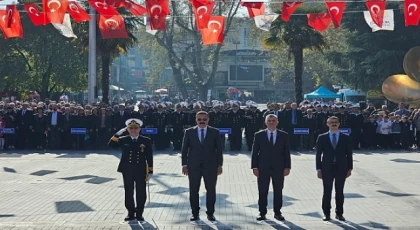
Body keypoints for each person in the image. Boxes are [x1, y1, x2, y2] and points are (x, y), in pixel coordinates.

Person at [108, 118, 153, 222]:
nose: (133, 130)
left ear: (139, 129)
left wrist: (150, 171)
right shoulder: (123, 139)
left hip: (140, 169)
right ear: (127, 129)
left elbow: (149, 157)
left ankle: (139, 213)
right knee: (129, 191)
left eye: (136, 128)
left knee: (141, 192)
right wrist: (118, 133)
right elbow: (110, 145)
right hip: (127, 169)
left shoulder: (146, 140)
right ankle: (130, 212)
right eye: (131, 128)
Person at [181, 111, 223, 222]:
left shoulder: (215, 132)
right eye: (199, 119)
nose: (202, 121)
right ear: (196, 120)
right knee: (194, 190)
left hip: (211, 166)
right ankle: (195, 213)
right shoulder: (189, 132)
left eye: (204, 119)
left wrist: (219, 165)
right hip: (193, 166)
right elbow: (184, 150)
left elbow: (219, 150)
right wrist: (184, 164)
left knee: (211, 190)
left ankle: (210, 213)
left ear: (208, 120)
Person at [251, 114, 291, 221]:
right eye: (269, 120)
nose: (271, 122)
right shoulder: (259, 135)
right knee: (262, 190)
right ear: (265, 122)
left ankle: (277, 212)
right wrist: (254, 167)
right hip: (263, 167)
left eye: (274, 120)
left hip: (279, 167)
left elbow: (287, 152)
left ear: (277, 122)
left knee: (278, 190)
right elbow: (254, 152)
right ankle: (262, 212)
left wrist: (287, 167)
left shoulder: (284, 135)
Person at [316, 116, 353, 222]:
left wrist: (350, 168)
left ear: (339, 124)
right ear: (327, 124)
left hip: (341, 167)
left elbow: (349, 154)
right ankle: (326, 214)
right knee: (327, 191)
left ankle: (339, 213)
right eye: (331, 122)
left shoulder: (345, 137)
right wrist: (318, 169)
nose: (334, 124)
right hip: (326, 168)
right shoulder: (322, 137)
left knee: (339, 191)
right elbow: (318, 154)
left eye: (336, 122)